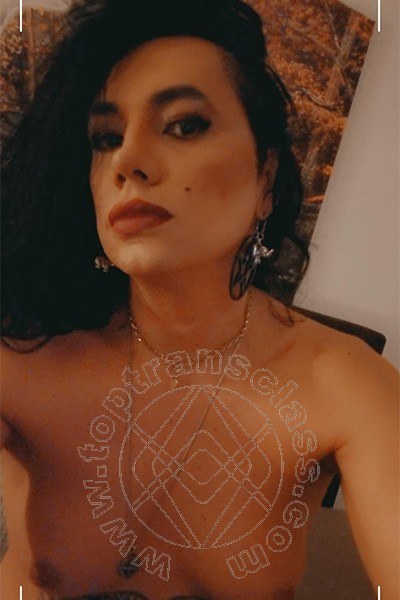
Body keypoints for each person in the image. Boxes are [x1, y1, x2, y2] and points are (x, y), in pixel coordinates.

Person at [0, 1, 398, 599]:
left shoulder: (344, 382)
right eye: (106, 138)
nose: (128, 161)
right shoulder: (22, 355)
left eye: (185, 125)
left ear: (266, 180)